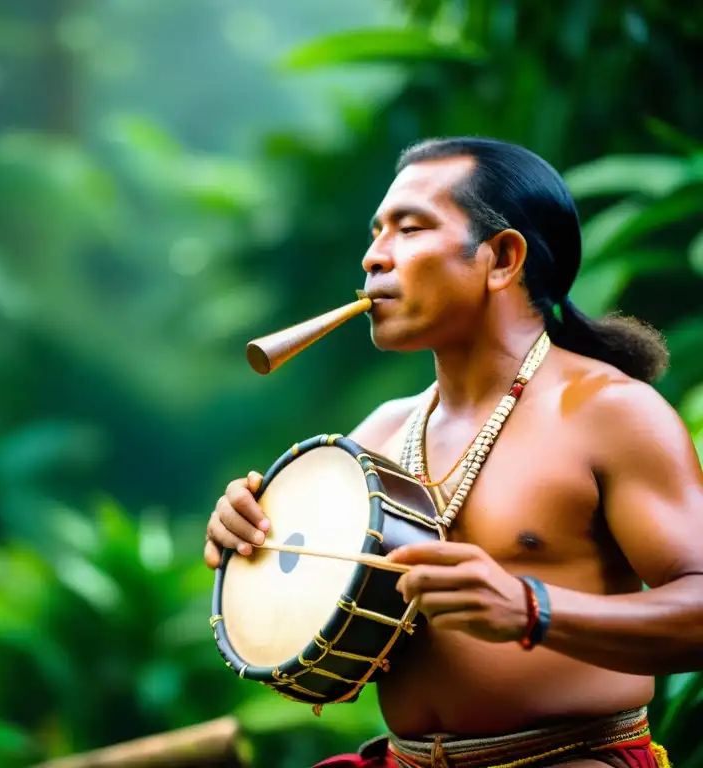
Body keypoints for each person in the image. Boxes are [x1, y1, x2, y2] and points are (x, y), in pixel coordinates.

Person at [203, 137, 703, 768]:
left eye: (409, 229)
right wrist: (251, 542)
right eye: (376, 232)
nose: (373, 258)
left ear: (501, 258)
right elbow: (325, 630)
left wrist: (532, 609)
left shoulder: (607, 412)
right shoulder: (380, 433)